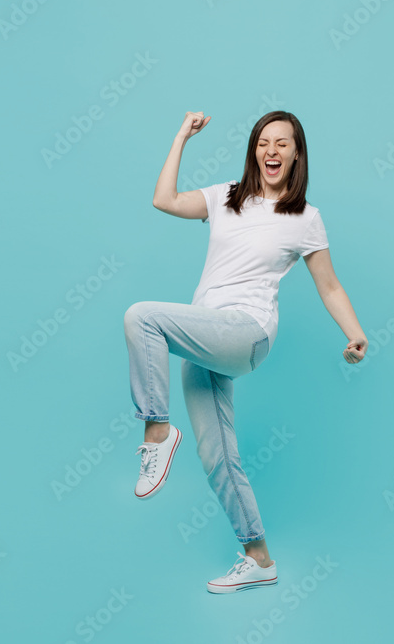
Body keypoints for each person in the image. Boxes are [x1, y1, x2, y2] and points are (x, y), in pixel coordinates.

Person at [123, 110, 367, 593]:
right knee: (217, 457)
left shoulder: (305, 218)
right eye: (263, 142)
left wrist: (355, 333)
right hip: (206, 337)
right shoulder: (226, 196)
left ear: (297, 153)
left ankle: (156, 431)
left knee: (141, 315)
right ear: (254, 150)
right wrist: (180, 138)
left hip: (246, 333)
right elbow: (163, 199)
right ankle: (259, 558)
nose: (271, 151)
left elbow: (330, 285)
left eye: (282, 143)